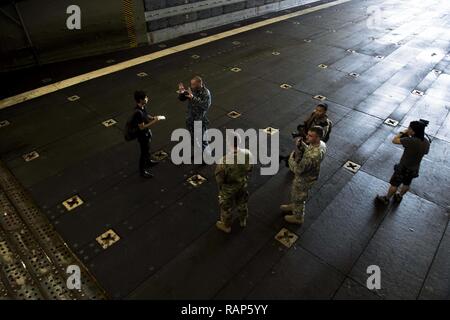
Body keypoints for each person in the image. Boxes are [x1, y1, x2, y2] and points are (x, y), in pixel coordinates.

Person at [280, 126, 327, 224]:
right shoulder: (321, 144)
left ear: (318, 137)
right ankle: (294, 205)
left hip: (305, 178)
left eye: (310, 136)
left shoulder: (312, 156)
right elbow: (310, 149)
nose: (307, 137)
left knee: (299, 196)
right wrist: (303, 145)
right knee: (296, 193)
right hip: (310, 174)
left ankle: (298, 217)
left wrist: (292, 158)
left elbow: (298, 170)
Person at [376, 120, 430, 204]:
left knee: (395, 184)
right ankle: (399, 196)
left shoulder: (410, 141)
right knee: (407, 184)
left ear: (413, 131)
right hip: (414, 168)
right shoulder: (426, 142)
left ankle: (386, 199)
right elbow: (426, 152)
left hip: (403, 167)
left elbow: (394, 140)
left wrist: (402, 132)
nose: (408, 129)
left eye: (409, 128)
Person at [215, 133, 254, 234]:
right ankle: (242, 220)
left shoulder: (224, 161)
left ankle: (226, 225)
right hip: (242, 184)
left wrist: (221, 188)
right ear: (239, 142)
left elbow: (220, 179)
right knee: (242, 203)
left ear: (228, 143)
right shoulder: (247, 154)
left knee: (226, 207)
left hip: (228, 189)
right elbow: (250, 168)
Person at [280, 103, 332, 167]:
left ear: (325, 112)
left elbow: (320, 138)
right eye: (316, 110)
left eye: (320, 111)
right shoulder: (314, 114)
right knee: (299, 148)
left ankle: (293, 163)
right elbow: (307, 122)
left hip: (314, 141)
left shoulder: (325, 124)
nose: (317, 112)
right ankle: (289, 160)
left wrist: (308, 140)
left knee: (304, 153)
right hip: (308, 135)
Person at [131, 90, 164, 178]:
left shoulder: (142, 107)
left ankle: (148, 162)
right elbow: (142, 127)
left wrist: (152, 117)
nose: (147, 98)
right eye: (145, 97)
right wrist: (155, 121)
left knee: (147, 149)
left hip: (146, 134)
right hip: (142, 136)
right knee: (143, 153)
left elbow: (146, 115)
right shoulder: (138, 113)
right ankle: (142, 171)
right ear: (141, 100)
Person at [178, 76, 212, 157]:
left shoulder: (206, 93)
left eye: (193, 84)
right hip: (190, 120)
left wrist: (193, 98)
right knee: (193, 139)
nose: (191, 86)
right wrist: (181, 92)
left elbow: (205, 106)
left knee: (202, 140)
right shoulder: (192, 90)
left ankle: (207, 157)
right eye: (191, 84)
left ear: (199, 84)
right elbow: (182, 99)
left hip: (199, 121)